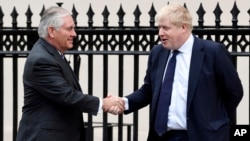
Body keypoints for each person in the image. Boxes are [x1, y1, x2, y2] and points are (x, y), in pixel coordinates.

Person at [108, 3, 243, 141]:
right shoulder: (157, 53)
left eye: (165, 28)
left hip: (202, 136)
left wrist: (213, 121)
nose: (160, 33)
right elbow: (148, 90)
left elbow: (234, 92)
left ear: (183, 27)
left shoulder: (213, 52)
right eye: (159, 27)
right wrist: (124, 102)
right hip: (162, 136)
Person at [15, 6, 124, 141]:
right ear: (52, 31)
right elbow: (67, 96)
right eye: (69, 29)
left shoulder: (53, 54)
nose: (74, 34)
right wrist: (103, 103)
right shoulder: (41, 59)